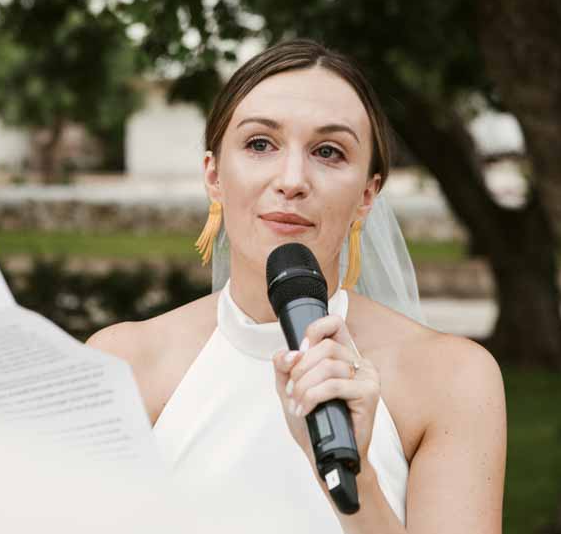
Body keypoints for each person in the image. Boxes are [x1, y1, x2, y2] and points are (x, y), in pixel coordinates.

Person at [87, 39, 506, 533]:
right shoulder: (121, 365)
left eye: (328, 152)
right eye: (260, 144)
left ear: (367, 194)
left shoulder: (452, 379)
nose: (292, 180)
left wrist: (358, 479)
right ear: (214, 174)